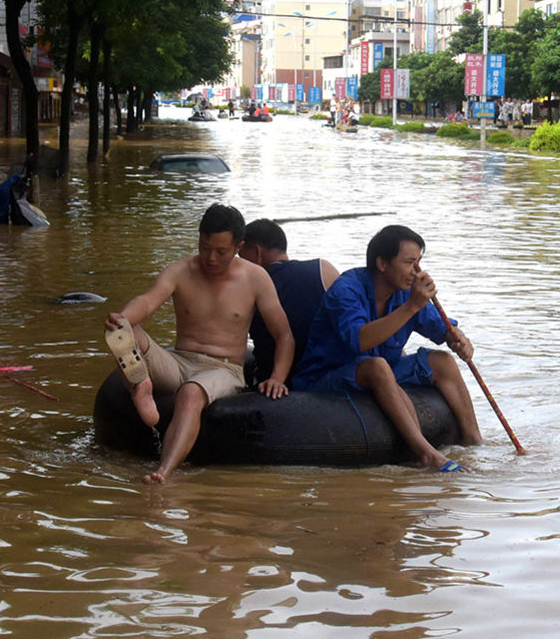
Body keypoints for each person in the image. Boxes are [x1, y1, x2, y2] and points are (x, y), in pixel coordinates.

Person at [105, 204, 294, 484]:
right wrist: (123, 317)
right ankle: (140, 383)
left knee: (191, 394)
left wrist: (278, 378)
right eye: (205, 247)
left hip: (223, 367)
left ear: (238, 247)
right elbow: (147, 301)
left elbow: (284, 335)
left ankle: (163, 472)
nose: (211, 258)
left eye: (221, 251)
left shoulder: (256, 278)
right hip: (178, 361)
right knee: (124, 331)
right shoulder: (180, 270)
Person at [292, 225, 483, 472]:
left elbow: (441, 327)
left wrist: (459, 339)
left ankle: (474, 441)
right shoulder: (347, 289)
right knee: (377, 366)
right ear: (382, 264)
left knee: (442, 361)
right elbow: (359, 341)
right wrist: (412, 307)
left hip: (384, 369)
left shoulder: (405, 293)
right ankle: (427, 456)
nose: (416, 272)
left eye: (419, 263)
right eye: (409, 263)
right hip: (328, 375)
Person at [239, 218, 339, 385]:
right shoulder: (323, 269)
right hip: (322, 373)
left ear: (257, 252)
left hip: (271, 379)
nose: (239, 265)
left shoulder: (248, 286)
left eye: (241, 257)